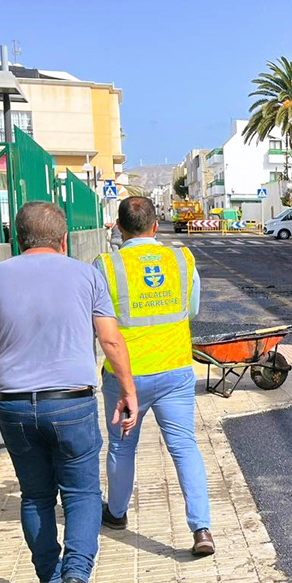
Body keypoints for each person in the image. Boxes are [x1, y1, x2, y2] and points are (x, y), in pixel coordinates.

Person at [0, 201, 138, 583]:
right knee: (80, 493)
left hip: (14, 407)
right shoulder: (85, 275)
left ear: (17, 239)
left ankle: (48, 581)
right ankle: (74, 579)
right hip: (72, 403)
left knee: (36, 496)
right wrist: (128, 390)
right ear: (63, 240)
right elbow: (111, 341)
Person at [93, 196, 214, 556]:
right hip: (175, 369)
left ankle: (116, 514)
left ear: (118, 228)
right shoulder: (181, 258)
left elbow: (99, 321)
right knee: (184, 447)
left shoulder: (106, 265)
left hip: (125, 377)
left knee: (121, 446)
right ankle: (202, 529)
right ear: (155, 225)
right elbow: (190, 308)